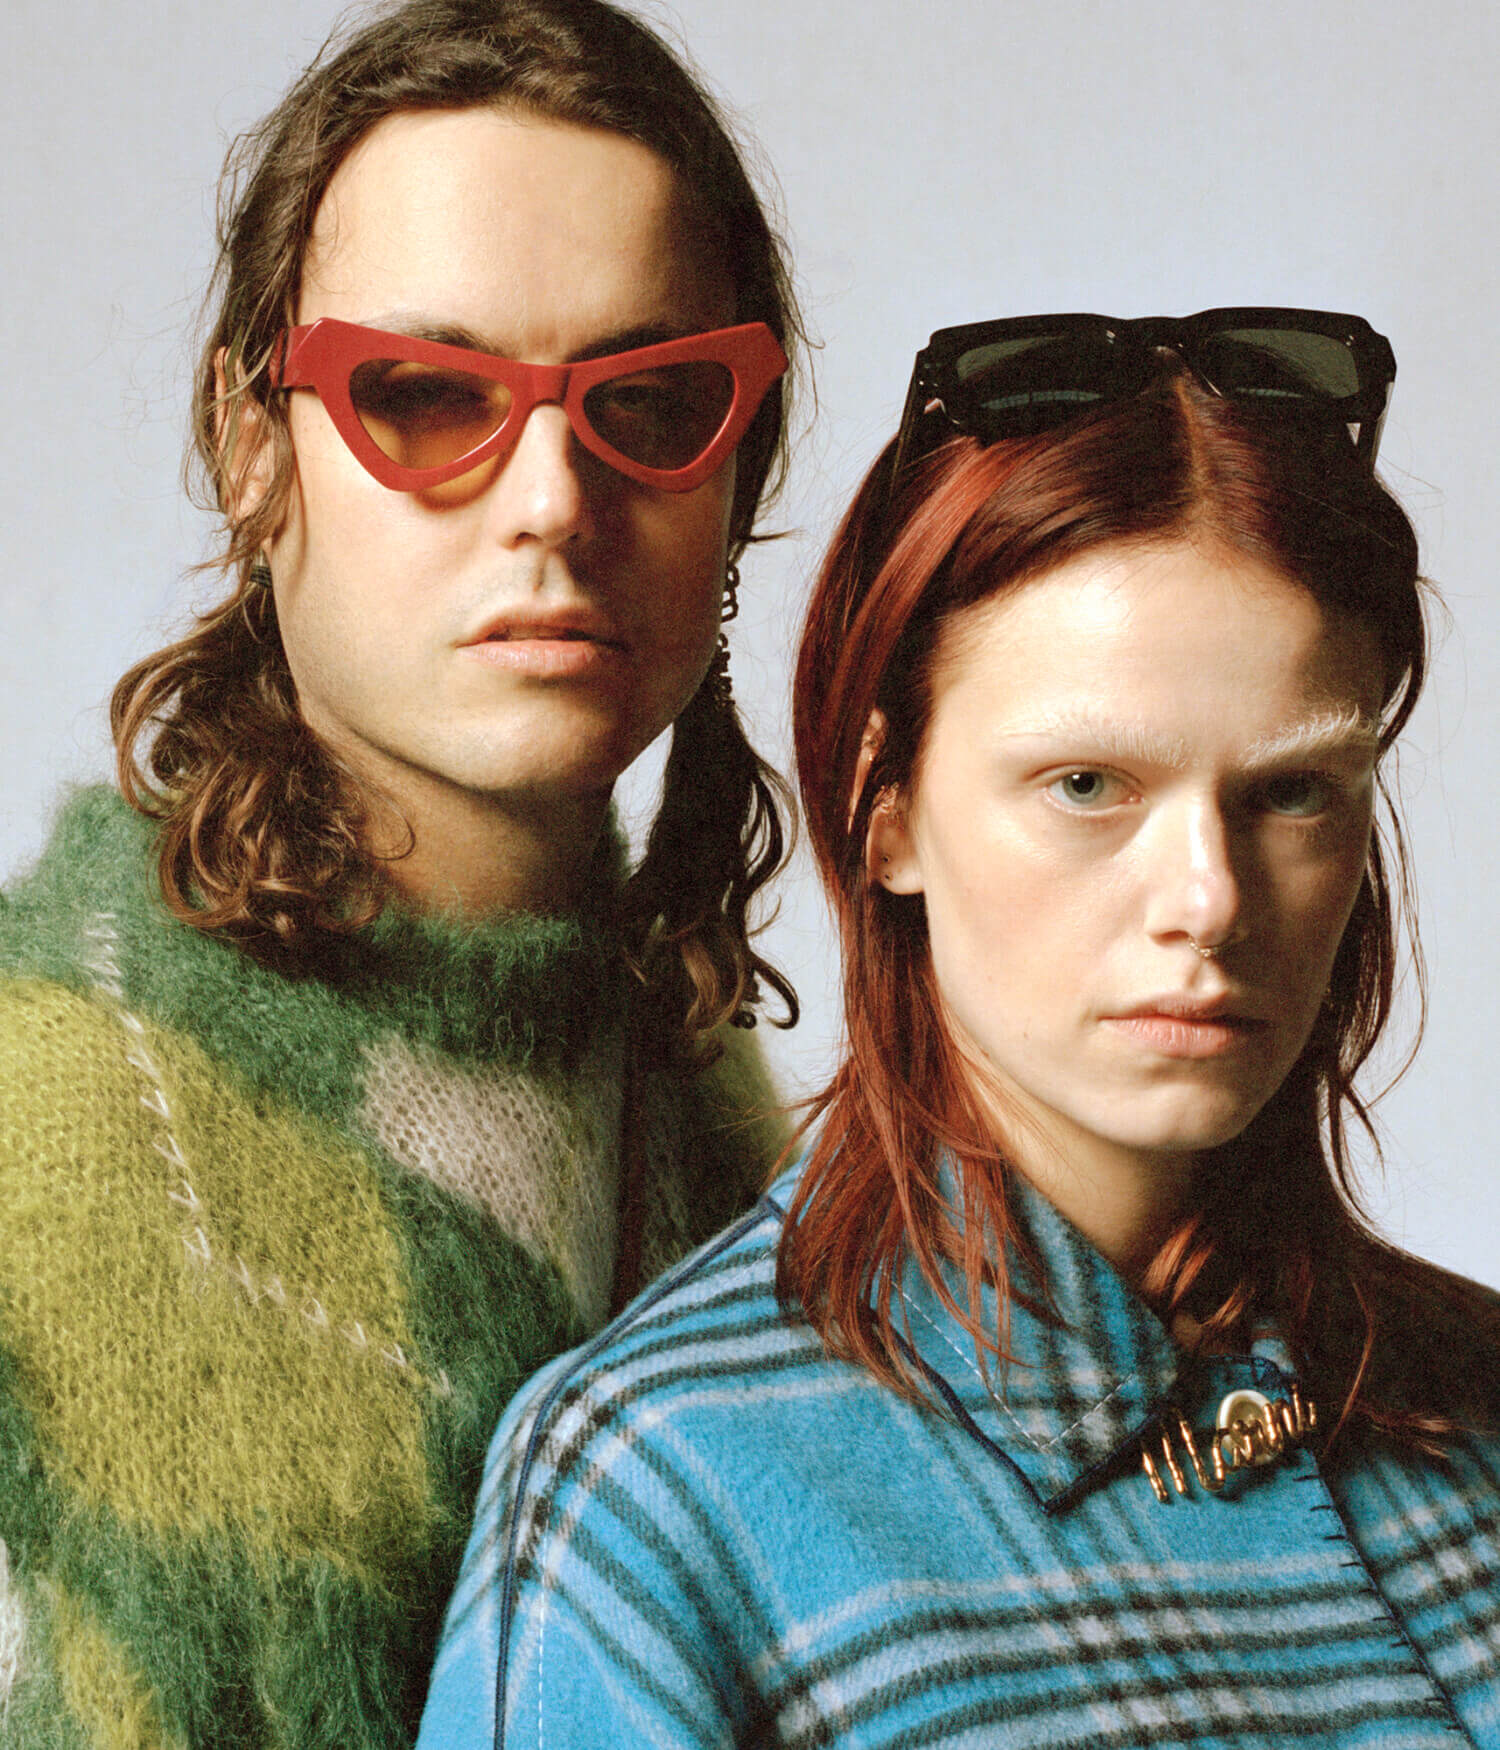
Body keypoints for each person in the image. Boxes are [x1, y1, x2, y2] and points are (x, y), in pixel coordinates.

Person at [421, 309, 1500, 1747]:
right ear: (886, 810)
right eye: (1087, 785)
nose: (1209, 899)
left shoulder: (1469, 1380)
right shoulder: (657, 1493)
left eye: (1291, 791)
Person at [0, 0, 803, 1743]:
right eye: (427, 397)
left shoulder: (724, 1111)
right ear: (253, 445)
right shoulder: (42, 1095)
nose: (551, 500)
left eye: (651, 403)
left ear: (739, 469)